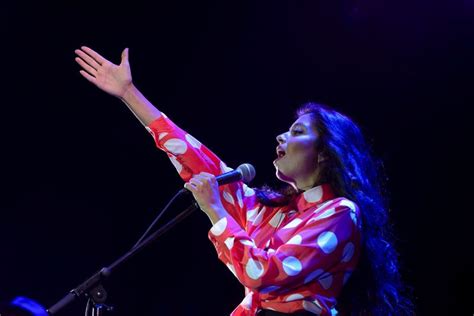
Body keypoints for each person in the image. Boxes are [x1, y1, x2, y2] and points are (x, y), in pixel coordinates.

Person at [74, 46, 413, 316]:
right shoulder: (274, 212)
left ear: (325, 152)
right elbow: (200, 162)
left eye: (297, 132)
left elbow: (263, 275)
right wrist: (129, 93)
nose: (280, 137)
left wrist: (216, 213)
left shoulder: (341, 213)